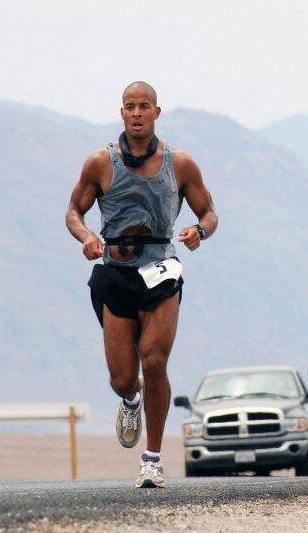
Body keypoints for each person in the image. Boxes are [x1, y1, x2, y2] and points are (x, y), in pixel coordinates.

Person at [65, 81, 218, 488]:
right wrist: (87, 238)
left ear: (156, 112)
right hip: (116, 270)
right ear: (121, 113)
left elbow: (210, 213)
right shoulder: (100, 163)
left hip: (161, 269)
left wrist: (198, 233)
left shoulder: (180, 164)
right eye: (130, 106)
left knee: (154, 359)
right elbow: (73, 211)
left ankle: (152, 459)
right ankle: (130, 400)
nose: (137, 113)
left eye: (144, 106)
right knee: (121, 377)